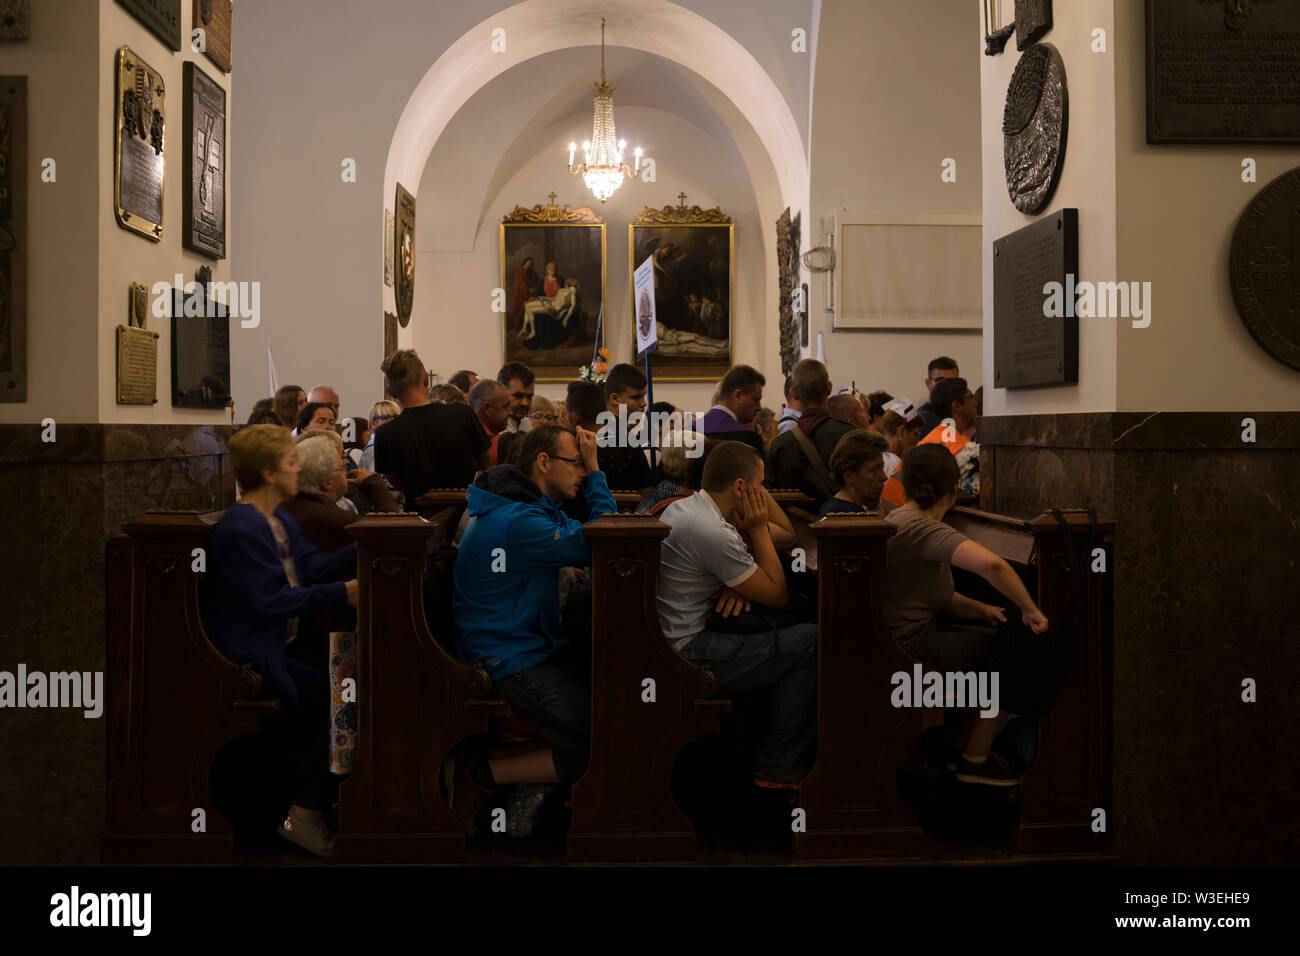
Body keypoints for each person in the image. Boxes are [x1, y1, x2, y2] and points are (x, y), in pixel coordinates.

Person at [200, 424, 359, 857]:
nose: (297, 467)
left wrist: (373, 539)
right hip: (252, 654)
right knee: (342, 703)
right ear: (270, 473)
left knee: (355, 682)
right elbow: (271, 601)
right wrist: (344, 593)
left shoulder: (277, 517)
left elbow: (315, 567)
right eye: (290, 461)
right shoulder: (241, 526)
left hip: (283, 645)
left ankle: (323, 803)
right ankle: (303, 815)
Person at [448, 425, 616, 831]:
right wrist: (596, 472)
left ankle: (522, 783)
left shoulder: (525, 510)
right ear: (544, 463)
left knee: (616, 711)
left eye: (581, 463)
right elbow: (611, 539)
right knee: (610, 733)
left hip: (524, 648)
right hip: (507, 661)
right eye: (574, 462)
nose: (580, 470)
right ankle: (482, 774)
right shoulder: (517, 521)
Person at [883, 444, 1048, 787]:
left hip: (906, 635)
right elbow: (992, 565)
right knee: (1019, 648)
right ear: (953, 487)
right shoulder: (923, 527)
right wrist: (1031, 610)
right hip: (914, 645)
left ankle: (956, 742)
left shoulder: (900, 517)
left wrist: (983, 610)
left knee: (1004, 632)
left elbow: (936, 596)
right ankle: (976, 757)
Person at [657, 441, 818, 789]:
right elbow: (776, 595)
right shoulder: (712, 530)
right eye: (761, 486)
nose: (764, 494)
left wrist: (738, 578)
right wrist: (758, 529)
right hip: (685, 650)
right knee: (812, 642)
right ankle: (778, 765)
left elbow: (785, 532)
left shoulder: (692, 507)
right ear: (742, 488)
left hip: (672, 635)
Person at [374, 349, 490, 501]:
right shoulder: (462, 414)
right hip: (465, 511)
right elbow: (484, 462)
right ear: (426, 379)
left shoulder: (384, 434)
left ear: (390, 392)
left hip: (416, 517)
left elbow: (397, 483)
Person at [283, 431, 398, 550]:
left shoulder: (288, 505)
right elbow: (392, 534)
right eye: (342, 467)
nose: (346, 470)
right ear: (327, 481)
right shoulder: (335, 518)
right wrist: (374, 483)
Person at [765, 358, 856, 507]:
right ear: (829, 388)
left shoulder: (780, 445)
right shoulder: (851, 436)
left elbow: (772, 498)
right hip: (848, 525)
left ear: (793, 393)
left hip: (796, 528)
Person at [566, 380, 653, 495]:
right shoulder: (630, 445)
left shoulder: (569, 450)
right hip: (629, 511)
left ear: (573, 418)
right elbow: (648, 495)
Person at [917, 377, 979, 497]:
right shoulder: (962, 449)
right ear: (956, 406)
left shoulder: (932, 437)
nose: (975, 402)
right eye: (971, 397)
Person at [819, 429, 894, 517]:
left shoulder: (839, 510)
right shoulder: (842, 518)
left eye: (882, 467)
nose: (884, 477)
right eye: (874, 470)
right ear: (849, 476)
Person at [702, 364, 766, 453]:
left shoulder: (690, 430)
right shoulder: (748, 439)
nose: (759, 407)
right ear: (738, 395)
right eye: (756, 400)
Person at [469, 380, 513, 467]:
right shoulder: (500, 446)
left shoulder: (463, 438)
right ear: (487, 409)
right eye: (505, 406)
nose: (510, 412)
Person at [917, 356, 960, 432]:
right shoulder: (922, 418)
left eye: (952, 381)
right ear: (928, 383)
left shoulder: (962, 414)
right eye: (940, 381)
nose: (946, 386)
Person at [497, 362, 536, 433]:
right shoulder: (494, 427)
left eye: (529, 397)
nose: (525, 403)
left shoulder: (526, 423)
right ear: (501, 391)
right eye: (518, 396)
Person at [510, 256, 539, 332]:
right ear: (525, 262)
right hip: (521, 295)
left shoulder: (532, 271)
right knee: (520, 310)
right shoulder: (519, 271)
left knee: (531, 309)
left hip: (530, 295)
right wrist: (527, 289)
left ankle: (529, 328)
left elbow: (537, 281)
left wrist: (534, 288)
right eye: (529, 262)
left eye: (531, 263)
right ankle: (518, 328)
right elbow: (519, 284)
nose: (530, 264)